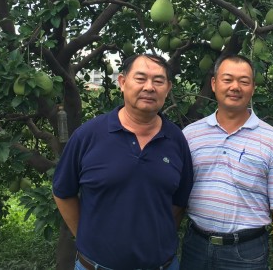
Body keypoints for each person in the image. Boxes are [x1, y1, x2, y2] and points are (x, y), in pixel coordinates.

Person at [52, 54, 194, 270]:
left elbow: (179, 202)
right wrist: (87, 235)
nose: (149, 87)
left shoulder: (176, 140)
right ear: (122, 82)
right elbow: (63, 191)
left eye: (158, 81)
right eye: (140, 78)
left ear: (168, 88)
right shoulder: (88, 135)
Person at [181, 54, 273, 270]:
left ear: (253, 88)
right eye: (227, 80)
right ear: (214, 84)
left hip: (246, 252)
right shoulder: (190, 135)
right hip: (195, 246)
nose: (235, 87)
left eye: (244, 81)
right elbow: (177, 197)